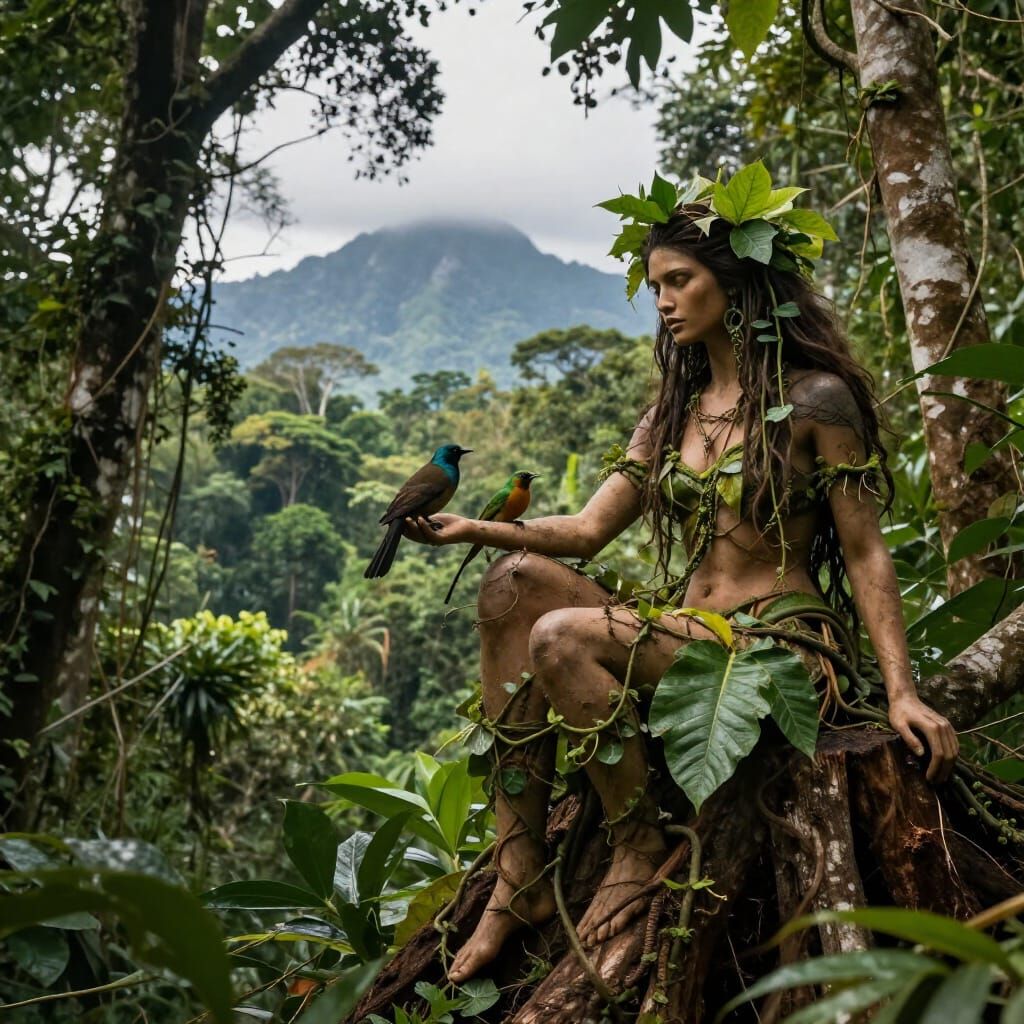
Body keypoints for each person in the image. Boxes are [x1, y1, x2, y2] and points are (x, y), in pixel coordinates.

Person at [402, 187, 959, 984]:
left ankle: (638, 847)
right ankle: (518, 871)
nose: (662, 301)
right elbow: (590, 530)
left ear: (737, 280)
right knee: (512, 584)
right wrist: (474, 528)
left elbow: (867, 551)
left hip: (772, 644)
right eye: (655, 285)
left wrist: (902, 692)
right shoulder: (672, 413)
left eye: (679, 281)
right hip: (682, 631)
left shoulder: (816, 401)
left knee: (559, 637)